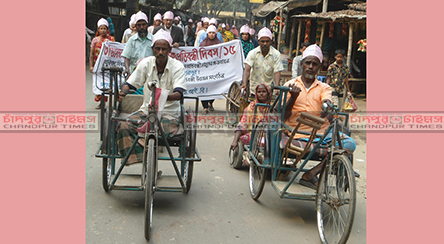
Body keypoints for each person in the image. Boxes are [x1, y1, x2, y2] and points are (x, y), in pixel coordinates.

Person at [282, 44, 355, 189]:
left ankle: (311, 173)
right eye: (307, 63)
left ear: (319, 67)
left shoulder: (324, 87)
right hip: (297, 134)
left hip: (321, 133)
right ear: (302, 65)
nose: (310, 66)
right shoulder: (290, 85)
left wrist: (326, 107)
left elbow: (326, 100)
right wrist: (292, 98)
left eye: (314, 64)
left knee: (349, 144)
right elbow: (282, 115)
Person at [117, 29, 187, 165]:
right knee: (125, 125)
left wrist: (161, 96)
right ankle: (142, 156)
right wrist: (123, 90)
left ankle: (144, 149)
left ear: (170, 50)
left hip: (169, 114)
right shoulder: (145, 64)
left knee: (156, 128)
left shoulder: (177, 66)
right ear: (152, 49)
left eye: (164, 49)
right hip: (146, 111)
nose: (160, 52)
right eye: (157, 49)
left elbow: (179, 93)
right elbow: (131, 83)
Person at [241, 27, 283, 97]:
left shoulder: (276, 54)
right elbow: (247, 70)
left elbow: (277, 71)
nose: (265, 44)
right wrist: (244, 83)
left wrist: (277, 86)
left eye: (267, 41)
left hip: (269, 90)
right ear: (258, 41)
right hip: (255, 89)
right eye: (262, 41)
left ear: (271, 41)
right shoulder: (253, 53)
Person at [230, 83, 271, 150]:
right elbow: (242, 123)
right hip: (254, 135)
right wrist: (235, 141)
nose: (261, 94)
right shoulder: (251, 107)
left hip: (269, 136)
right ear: (256, 93)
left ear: (268, 93)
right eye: (259, 92)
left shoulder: (273, 106)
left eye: (264, 91)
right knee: (244, 139)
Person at [89, 18, 115, 109]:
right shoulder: (95, 40)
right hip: (97, 66)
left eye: (105, 28)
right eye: (101, 28)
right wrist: (91, 66)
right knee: (98, 84)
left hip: (107, 66)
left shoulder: (111, 40)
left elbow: (114, 53)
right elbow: (92, 54)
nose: (103, 30)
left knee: (106, 84)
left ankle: (106, 103)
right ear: (98, 30)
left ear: (107, 29)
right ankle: (101, 102)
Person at [122, 11, 154, 79]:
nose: (141, 27)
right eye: (139, 25)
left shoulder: (154, 40)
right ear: (136, 26)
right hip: (134, 75)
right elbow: (127, 57)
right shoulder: (132, 40)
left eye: (143, 24)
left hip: (150, 75)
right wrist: (127, 69)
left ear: (147, 24)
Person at [198, 25, 222, 114]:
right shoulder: (203, 44)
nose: (211, 35)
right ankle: (205, 106)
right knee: (204, 87)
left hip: (215, 69)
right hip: (205, 70)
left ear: (215, 34)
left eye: (213, 33)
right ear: (207, 34)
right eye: (210, 33)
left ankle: (211, 102)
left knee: (214, 87)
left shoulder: (219, 44)